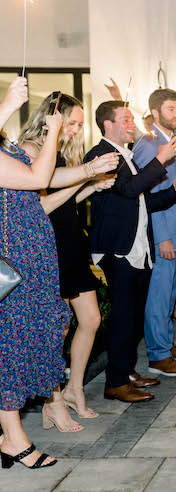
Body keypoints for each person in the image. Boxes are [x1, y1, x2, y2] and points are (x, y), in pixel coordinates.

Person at [20, 93, 117, 428]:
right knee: (56, 328)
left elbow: (64, 202)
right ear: (52, 117)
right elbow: (40, 207)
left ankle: (74, 389)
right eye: (71, 122)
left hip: (72, 242)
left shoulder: (58, 152)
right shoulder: (31, 150)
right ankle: (54, 400)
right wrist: (85, 176)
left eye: (78, 124)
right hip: (49, 247)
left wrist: (92, 186)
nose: (76, 130)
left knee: (89, 320)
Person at [87, 101, 176, 403]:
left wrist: (173, 192)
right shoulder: (101, 155)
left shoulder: (125, 155)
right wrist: (159, 160)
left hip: (137, 247)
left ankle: (126, 371)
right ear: (108, 124)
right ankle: (115, 383)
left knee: (131, 317)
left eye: (131, 119)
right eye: (126, 119)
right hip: (119, 249)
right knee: (122, 316)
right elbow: (129, 191)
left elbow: (140, 201)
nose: (132, 124)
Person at [0, 77, 67, 469]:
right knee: (10, 344)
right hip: (12, 263)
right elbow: (39, 179)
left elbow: (39, 194)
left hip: (28, 261)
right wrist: (10, 104)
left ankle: (10, 433)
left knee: (22, 339)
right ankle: (14, 438)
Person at [133, 89, 176, 377]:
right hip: (166, 230)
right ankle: (158, 356)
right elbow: (149, 193)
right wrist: (161, 236)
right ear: (156, 112)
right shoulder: (148, 145)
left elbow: (174, 181)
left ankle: (166, 344)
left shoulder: (174, 140)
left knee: (171, 291)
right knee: (160, 294)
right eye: (171, 109)